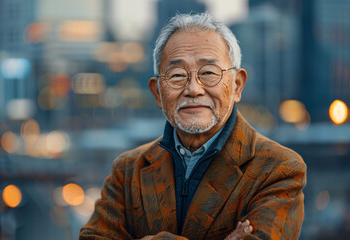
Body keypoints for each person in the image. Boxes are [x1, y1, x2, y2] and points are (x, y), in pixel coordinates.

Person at [79, 12, 306, 240]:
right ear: (157, 92)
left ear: (237, 85)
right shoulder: (128, 171)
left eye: (208, 72)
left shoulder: (278, 169)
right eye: (177, 75)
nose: (193, 89)